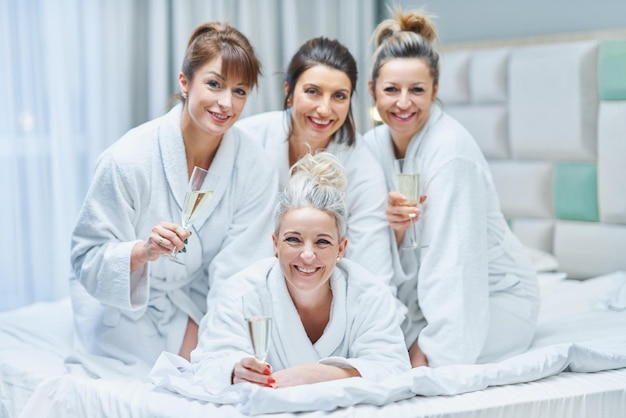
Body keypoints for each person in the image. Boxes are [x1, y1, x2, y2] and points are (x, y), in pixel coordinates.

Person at [69, 22, 278, 376]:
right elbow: (86, 259)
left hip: (195, 301)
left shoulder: (254, 165)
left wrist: (223, 346)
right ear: (185, 82)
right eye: (214, 84)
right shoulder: (128, 159)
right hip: (124, 307)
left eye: (240, 91)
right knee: (166, 382)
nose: (226, 103)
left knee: (227, 373)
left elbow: (238, 273)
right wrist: (143, 252)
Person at [364, 8, 540, 368]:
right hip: (421, 300)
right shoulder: (370, 148)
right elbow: (366, 245)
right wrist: (394, 233)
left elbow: (455, 264)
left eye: (417, 90)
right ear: (372, 91)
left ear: (435, 90)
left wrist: (426, 356)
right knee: (369, 350)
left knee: (406, 363)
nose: (403, 102)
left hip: (493, 300)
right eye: (391, 89)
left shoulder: (451, 153)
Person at [191, 152, 411, 389]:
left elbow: (395, 368)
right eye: (294, 239)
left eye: (323, 242)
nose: (307, 255)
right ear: (275, 244)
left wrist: (319, 374)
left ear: (341, 248)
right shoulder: (240, 293)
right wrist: (235, 371)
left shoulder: (370, 295)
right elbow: (209, 363)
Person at [236, 37, 395, 289]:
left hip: (324, 297)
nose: (324, 109)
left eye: (339, 96)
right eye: (313, 92)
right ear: (288, 92)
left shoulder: (362, 166)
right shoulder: (247, 140)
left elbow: (372, 266)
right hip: (246, 289)